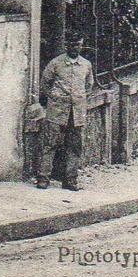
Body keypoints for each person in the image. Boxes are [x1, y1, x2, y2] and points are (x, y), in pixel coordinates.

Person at [35, 34, 95, 190]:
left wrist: (78, 99)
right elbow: (45, 84)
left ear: (81, 46)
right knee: (50, 144)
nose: (75, 48)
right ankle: (43, 177)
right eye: (72, 45)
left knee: (74, 147)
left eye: (78, 45)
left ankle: (70, 179)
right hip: (57, 111)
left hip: (76, 113)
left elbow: (89, 87)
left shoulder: (86, 65)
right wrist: (56, 98)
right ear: (67, 45)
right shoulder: (56, 64)